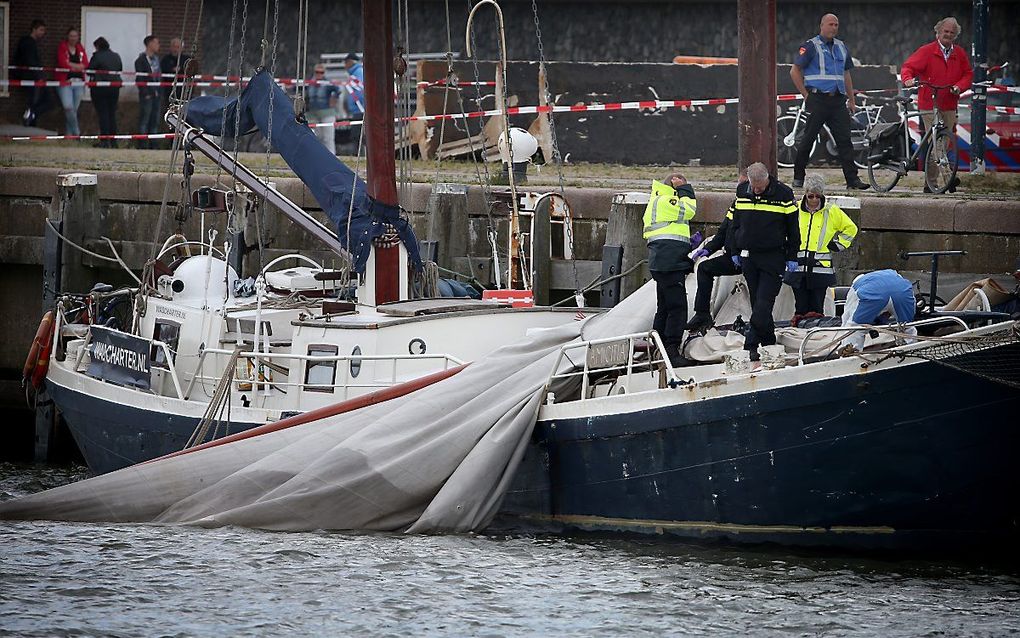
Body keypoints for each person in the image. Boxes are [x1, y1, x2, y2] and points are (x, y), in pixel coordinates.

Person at [725, 163, 800, 361]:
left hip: (773, 257)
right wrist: (734, 249)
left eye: (760, 186)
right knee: (756, 301)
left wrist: (792, 255)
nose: (756, 190)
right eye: (754, 186)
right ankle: (768, 341)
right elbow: (735, 223)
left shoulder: (783, 194)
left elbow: (793, 229)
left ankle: (750, 344)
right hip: (748, 256)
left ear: (767, 179)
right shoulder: (742, 191)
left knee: (764, 303)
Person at [790, 13, 870, 191]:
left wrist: (851, 99)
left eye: (836, 25)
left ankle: (852, 180)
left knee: (844, 141)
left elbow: (846, 74)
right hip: (817, 99)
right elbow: (794, 71)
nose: (834, 28)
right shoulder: (811, 46)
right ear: (822, 26)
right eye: (831, 24)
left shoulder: (841, 46)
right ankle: (798, 177)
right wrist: (806, 95)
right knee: (808, 139)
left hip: (837, 101)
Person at [901, 17, 973, 194]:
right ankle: (949, 178)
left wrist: (959, 87)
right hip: (928, 103)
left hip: (949, 103)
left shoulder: (960, 54)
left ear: (955, 35)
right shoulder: (927, 51)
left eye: (951, 32)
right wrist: (908, 79)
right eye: (945, 31)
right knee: (938, 141)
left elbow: (968, 74)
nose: (948, 35)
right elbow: (908, 66)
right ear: (938, 33)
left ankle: (929, 184)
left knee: (941, 143)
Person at [784, 174, 858, 317]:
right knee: (800, 306)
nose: (814, 200)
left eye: (818, 196)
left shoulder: (831, 211)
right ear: (805, 194)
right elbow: (783, 230)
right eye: (811, 196)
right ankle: (801, 332)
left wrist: (838, 245)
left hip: (820, 269)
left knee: (817, 308)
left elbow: (851, 229)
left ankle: (816, 334)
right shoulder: (795, 209)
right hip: (798, 267)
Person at [643, 173, 697, 364]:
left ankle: (658, 347)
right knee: (677, 307)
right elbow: (690, 210)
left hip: (663, 260)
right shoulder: (668, 200)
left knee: (664, 306)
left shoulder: (657, 199)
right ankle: (672, 351)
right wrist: (686, 188)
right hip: (670, 262)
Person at [686, 174, 748, 332]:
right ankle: (702, 314)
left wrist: (737, 252)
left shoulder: (754, 206)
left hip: (749, 257)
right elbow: (724, 231)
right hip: (732, 257)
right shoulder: (736, 204)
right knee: (704, 268)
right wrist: (708, 249)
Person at [840, 270, 916, 352]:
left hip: (873, 294)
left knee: (855, 329)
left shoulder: (856, 286)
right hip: (902, 292)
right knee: (907, 327)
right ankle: (912, 351)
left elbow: (846, 317)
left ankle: (849, 354)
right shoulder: (895, 276)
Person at [12, 19, 51, 127]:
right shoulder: (28, 43)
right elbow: (30, 61)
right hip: (30, 77)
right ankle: (30, 119)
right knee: (39, 100)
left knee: (37, 100)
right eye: (41, 30)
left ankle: (31, 117)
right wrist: (38, 76)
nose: (43, 33)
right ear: (34, 29)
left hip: (32, 76)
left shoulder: (30, 42)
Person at [88, 37, 123, 148]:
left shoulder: (97, 56)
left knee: (103, 114)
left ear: (98, 46)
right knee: (111, 114)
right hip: (114, 88)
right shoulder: (116, 56)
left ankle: (104, 141)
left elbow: (90, 71)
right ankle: (113, 141)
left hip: (100, 88)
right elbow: (120, 68)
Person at [55, 27, 89, 137]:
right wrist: (77, 66)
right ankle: (77, 133)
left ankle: (69, 135)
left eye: (75, 36)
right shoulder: (62, 47)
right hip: (66, 82)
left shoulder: (80, 48)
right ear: (67, 36)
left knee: (73, 110)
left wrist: (72, 66)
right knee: (68, 107)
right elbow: (62, 63)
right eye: (71, 36)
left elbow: (85, 64)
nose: (73, 38)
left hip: (79, 83)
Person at [305, 63, 340, 154]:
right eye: (317, 72)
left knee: (328, 137)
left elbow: (338, 90)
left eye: (321, 72)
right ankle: (319, 155)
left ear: (324, 73)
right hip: (312, 113)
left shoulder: (327, 83)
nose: (319, 74)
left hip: (327, 112)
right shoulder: (310, 83)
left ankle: (332, 156)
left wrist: (334, 99)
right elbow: (299, 89)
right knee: (317, 136)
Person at [134, 35, 162, 149]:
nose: (158, 45)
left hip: (157, 94)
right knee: (145, 119)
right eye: (156, 43)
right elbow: (140, 78)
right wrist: (145, 92)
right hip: (147, 95)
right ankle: (143, 144)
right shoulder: (140, 60)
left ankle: (153, 144)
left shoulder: (157, 60)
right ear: (149, 44)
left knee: (155, 119)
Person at [160, 37, 193, 104]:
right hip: (169, 90)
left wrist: (180, 70)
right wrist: (172, 70)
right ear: (171, 47)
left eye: (178, 47)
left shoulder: (187, 59)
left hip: (183, 91)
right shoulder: (165, 59)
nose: (175, 49)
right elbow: (163, 71)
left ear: (182, 48)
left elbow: (190, 71)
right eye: (174, 47)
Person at [343, 53, 365, 118]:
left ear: (351, 62)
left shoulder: (358, 72)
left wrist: (357, 104)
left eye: (346, 62)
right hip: (356, 109)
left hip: (359, 109)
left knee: (357, 127)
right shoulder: (354, 73)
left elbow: (360, 89)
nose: (345, 65)